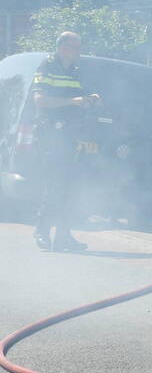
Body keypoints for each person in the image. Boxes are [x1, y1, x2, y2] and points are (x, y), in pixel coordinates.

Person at [31, 31, 100, 251]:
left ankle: (62, 236)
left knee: (70, 187)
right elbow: (40, 100)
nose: (79, 51)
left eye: (80, 47)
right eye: (75, 47)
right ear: (62, 47)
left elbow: (81, 95)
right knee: (56, 185)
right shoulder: (47, 67)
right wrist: (72, 101)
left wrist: (92, 99)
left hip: (71, 135)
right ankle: (41, 232)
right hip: (50, 134)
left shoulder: (76, 71)